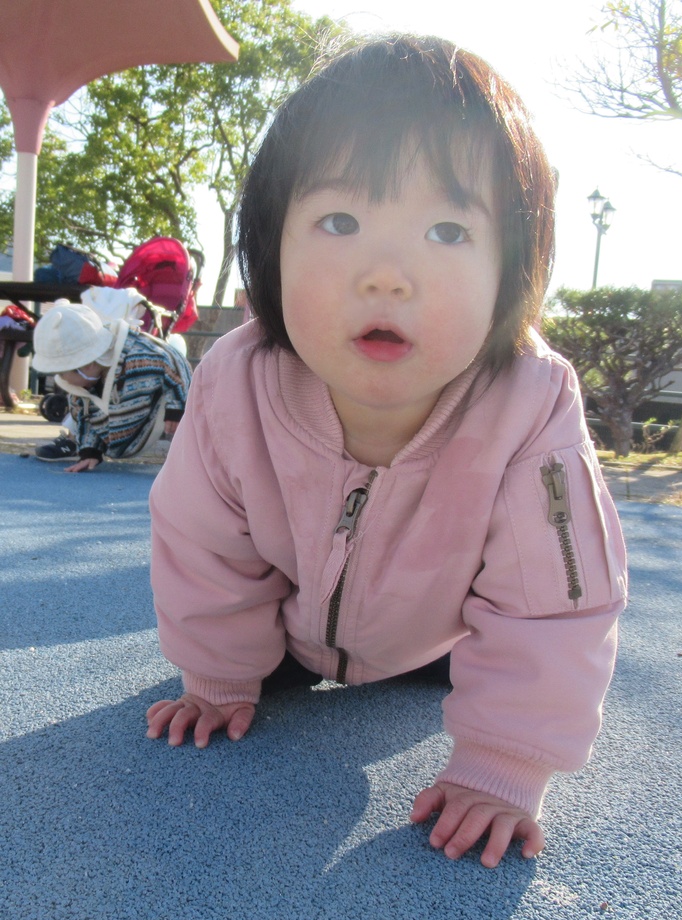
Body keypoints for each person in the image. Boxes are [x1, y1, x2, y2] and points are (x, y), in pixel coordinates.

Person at [145, 35, 628, 868]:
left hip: (440, 639)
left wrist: (504, 762)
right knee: (241, 664)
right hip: (291, 634)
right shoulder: (237, 382)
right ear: (271, 245)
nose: (386, 274)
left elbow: (554, 599)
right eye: (339, 221)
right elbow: (201, 542)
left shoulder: (528, 403)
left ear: (511, 272)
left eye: (447, 230)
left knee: (496, 654)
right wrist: (218, 676)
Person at [30, 299, 191, 472]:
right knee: (80, 406)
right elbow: (86, 419)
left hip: (154, 409)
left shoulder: (141, 357)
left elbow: (175, 364)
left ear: (87, 365)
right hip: (123, 428)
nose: (61, 379)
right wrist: (90, 450)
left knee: (180, 411)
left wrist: (177, 408)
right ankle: (74, 443)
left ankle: (190, 454)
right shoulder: (83, 385)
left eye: (62, 373)